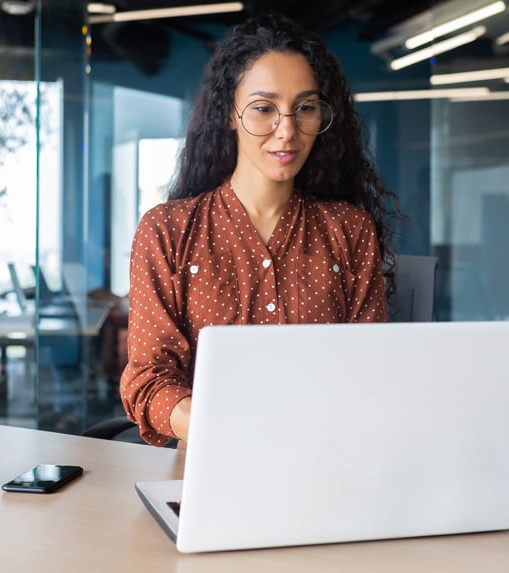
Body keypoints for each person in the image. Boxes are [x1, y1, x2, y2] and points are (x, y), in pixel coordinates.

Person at [120, 13, 397, 446]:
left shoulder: (350, 230)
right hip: (209, 469)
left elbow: (372, 372)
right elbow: (148, 378)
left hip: (327, 463)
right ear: (229, 114)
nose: (287, 131)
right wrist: (230, 431)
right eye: (264, 109)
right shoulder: (167, 230)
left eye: (304, 108)